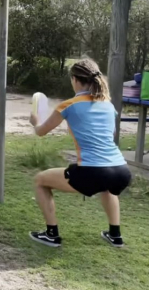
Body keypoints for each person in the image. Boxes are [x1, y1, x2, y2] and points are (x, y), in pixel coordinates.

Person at [28, 58, 131, 248]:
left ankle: (51, 235)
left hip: (92, 171)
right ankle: (115, 235)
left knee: (40, 180)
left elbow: (41, 131)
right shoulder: (108, 105)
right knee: (106, 186)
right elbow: (109, 135)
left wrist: (35, 121)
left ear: (75, 80)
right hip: (121, 171)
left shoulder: (68, 105)